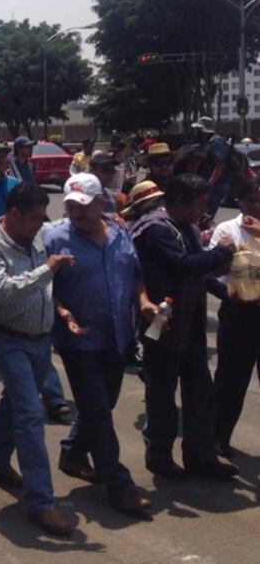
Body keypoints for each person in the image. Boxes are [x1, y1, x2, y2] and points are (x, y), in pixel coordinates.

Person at [45, 174, 155, 519]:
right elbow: (42, 285)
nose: (77, 211)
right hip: (79, 341)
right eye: (71, 205)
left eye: (83, 204)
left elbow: (134, 274)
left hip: (118, 337)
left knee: (102, 403)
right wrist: (61, 311)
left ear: (100, 202)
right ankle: (118, 483)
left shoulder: (119, 231)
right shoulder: (55, 237)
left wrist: (145, 301)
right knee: (98, 411)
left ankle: (73, 452)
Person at [0, 182, 74, 535]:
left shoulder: (35, 233)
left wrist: (108, 219)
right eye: (33, 218)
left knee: (16, 402)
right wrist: (47, 269)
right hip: (8, 338)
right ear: (13, 214)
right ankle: (41, 502)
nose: (39, 224)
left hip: (39, 338)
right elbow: (2, 293)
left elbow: (61, 227)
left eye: (41, 218)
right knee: (31, 416)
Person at [130, 174, 237, 480]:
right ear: (178, 202)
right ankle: (159, 457)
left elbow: (198, 270)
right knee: (162, 394)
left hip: (190, 323)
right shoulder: (156, 229)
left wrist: (223, 291)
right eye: (200, 203)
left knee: (199, 391)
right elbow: (183, 265)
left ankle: (201, 456)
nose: (204, 209)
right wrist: (223, 252)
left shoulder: (185, 226)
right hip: (162, 324)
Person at [209, 178, 260, 457]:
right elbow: (214, 270)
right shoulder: (227, 229)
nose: (256, 205)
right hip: (239, 311)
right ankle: (218, 437)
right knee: (231, 379)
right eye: (250, 199)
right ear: (238, 202)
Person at [193, 117, 233, 216]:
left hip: (216, 188)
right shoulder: (208, 142)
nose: (197, 132)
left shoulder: (216, 141)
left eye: (199, 129)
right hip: (211, 187)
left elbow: (220, 164)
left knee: (212, 215)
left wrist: (210, 184)